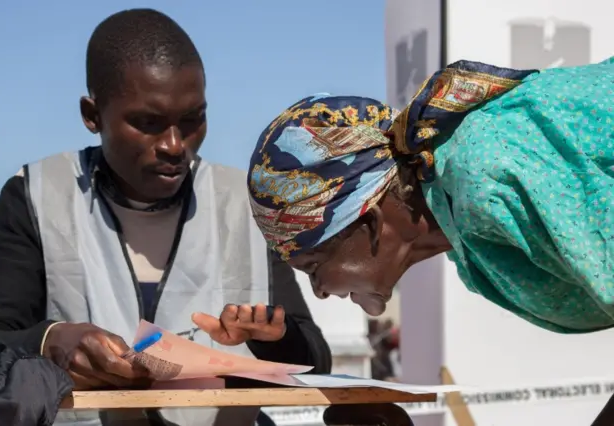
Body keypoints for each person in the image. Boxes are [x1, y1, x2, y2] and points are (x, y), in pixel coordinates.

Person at [0, 8, 331, 426]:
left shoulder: (243, 202)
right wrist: (50, 340)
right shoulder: (35, 195)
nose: (175, 145)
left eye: (193, 119)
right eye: (148, 123)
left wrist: (278, 340)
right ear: (92, 115)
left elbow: (315, 360)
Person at [246, 58, 614, 334]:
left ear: (367, 221)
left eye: (313, 267)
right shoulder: (469, 246)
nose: (321, 292)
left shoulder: (487, 173)